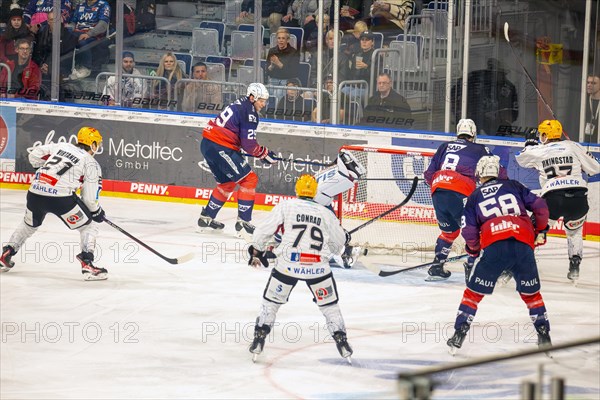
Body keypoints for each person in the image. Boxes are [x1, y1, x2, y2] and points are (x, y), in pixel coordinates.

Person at [446, 155, 552, 354]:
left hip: (494, 247)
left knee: (473, 294)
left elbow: (468, 230)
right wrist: (540, 230)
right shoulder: (513, 185)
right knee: (532, 295)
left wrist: (473, 250)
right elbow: (540, 206)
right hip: (522, 246)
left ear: (480, 174)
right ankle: (544, 334)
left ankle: (459, 334)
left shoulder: (475, 197)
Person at [247, 174, 353, 362]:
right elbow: (339, 243)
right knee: (330, 307)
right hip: (318, 268)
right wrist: (337, 246)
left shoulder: (286, 206)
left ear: (296, 190)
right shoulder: (326, 213)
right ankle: (342, 341)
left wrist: (257, 250)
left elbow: (263, 231)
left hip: (288, 266)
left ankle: (259, 339)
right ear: (315, 193)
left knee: (271, 304)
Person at [0, 127, 108, 281]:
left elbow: (34, 155)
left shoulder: (62, 146)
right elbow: (90, 200)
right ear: (93, 144)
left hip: (35, 192)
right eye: (98, 144)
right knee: (88, 226)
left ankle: (7, 253)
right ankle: (88, 264)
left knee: (29, 225)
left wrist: (45, 173)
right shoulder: (91, 162)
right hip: (60, 199)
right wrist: (97, 212)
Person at [515, 119, 600, 281]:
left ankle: (515, 266)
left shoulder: (539, 150)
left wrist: (530, 144)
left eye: (541, 134)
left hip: (552, 200)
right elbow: (595, 168)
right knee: (574, 232)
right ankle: (574, 266)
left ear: (546, 135)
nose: (540, 136)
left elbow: (521, 159)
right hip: (578, 199)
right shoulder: (574, 146)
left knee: (532, 231)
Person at [423, 118, 507, 281]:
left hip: (438, 189)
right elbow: (498, 171)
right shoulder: (480, 148)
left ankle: (437, 266)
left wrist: (444, 184)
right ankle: (475, 266)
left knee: (449, 232)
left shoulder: (444, 146)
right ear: (473, 134)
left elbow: (428, 175)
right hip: (460, 189)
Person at [198, 82, 278, 237]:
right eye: (261, 100)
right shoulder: (250, 113)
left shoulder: (241, 104)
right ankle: (243, 223)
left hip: (208, 144)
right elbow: (249, 146)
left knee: (226, 183)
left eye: (265, 101)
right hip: (220, 146)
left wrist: (261, 153)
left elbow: (239, 137)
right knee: (249, 180)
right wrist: (264, 153)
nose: (263, 104)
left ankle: (206, 217)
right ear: (252, 97)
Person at [67, 0, 111, 80]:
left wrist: (89, 34)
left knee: (82, 42)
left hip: (95, 35)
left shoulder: (103, 5)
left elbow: (103, 25)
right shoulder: (81, 5)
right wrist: (68, 29)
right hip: (78, 33)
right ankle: (66, 70)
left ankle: (86, 68)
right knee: (65, 40)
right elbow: (73, 22)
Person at [265, 27, 300, 99]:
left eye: (283, 38)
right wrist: (271, 66)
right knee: (266, 93)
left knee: (278, 93)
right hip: (273, 80)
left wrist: (279, 63)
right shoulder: (272, 51)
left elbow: (293, 73)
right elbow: (267, 71)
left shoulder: (294, 52)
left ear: (288, 40)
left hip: (286, 81)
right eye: (279, 38)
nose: (280, 40)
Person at [585, 74, 600, 143]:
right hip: (585, 142)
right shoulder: (583, 102)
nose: (589, 85)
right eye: (588, 82)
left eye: (593, 83)